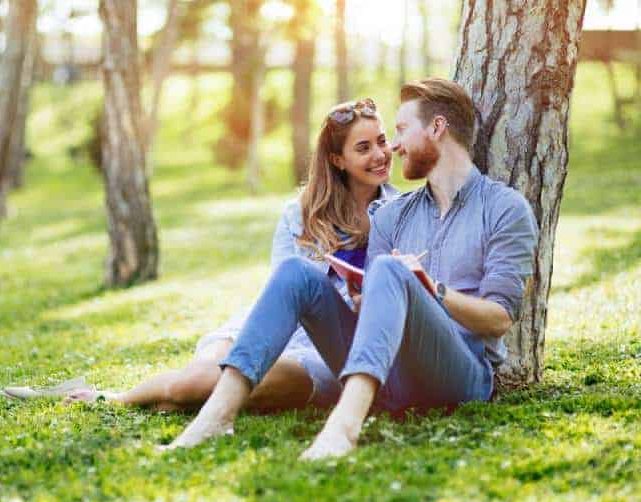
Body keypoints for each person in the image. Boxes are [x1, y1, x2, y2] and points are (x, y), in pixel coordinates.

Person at [164, 78, 539, 459]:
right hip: (391, 378)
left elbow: (499, 320)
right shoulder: (390, 216)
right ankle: (216, 416)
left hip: (461, 377)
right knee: (297, 272)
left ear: (437, 128)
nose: (393, 145)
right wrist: (364, 301)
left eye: (402, 130)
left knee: (393, 271)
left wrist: (432, 290)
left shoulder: (505, 209)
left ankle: (343, 428)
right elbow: (373, 314)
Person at [3, 98, 400, 414]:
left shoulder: (400, 212)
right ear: (337, 160)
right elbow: (284, 295)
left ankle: (111, 397)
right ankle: (114, 396)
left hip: (322, 351)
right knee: (192, 381)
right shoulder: (301, 213)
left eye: (382, 141)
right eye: (363, 148)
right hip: (268, 330)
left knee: (191, 391)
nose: (380, 154)